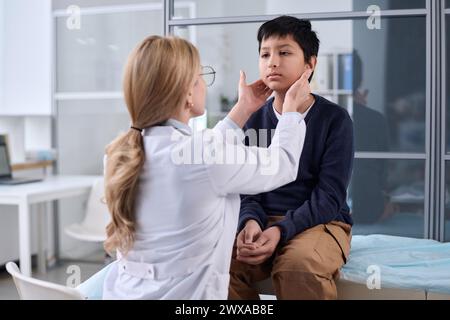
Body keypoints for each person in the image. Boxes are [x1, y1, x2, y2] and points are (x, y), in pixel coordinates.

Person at [101, 35, 313, 299]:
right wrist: (292, 111)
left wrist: (243, 109)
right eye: (200, 76)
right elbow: (283, 163)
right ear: (187, 92)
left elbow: (204, 160)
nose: (204, 84)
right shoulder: (203, 154)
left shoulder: (120, 153)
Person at [229, 16, 354, 300]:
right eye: (265, 54)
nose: (272, 61)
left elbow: (330, 197)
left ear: (310, 64)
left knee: (298, 269)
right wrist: (249, 222)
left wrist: (281, 231)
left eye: (284, 52)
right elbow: (246, 187)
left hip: (320, 221)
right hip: (262, 221)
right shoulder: (253, 119)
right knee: (217, 265)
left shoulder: (334, 119)